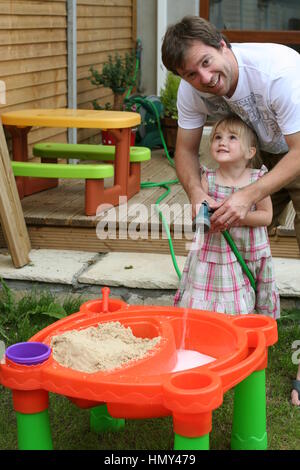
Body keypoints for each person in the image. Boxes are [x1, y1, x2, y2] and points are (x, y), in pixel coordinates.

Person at [162, 14, 299, 403]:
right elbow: (186, 151)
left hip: (297, 148)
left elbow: (298, 152)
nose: (203, 78)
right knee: (243, 243)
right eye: (191, 74)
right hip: (256, 154)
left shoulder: (278, 73)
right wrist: (195, 194)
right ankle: (235, 334)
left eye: (206, 63)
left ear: (223, 45)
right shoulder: (192, 91)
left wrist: (247, 195)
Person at [174, 115, 280, 319]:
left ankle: (254, 326)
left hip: (251, 248)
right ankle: (216, 323)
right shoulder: (208, 179)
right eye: (217, 137)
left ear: (250, 151)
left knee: (254, 285)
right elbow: (197, 213)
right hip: (217, 250)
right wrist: (205, 217)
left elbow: (266, 217)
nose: (222, 141)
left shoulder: (258, 179)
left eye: (232, 137)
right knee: (224, 290)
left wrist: (237, 216)